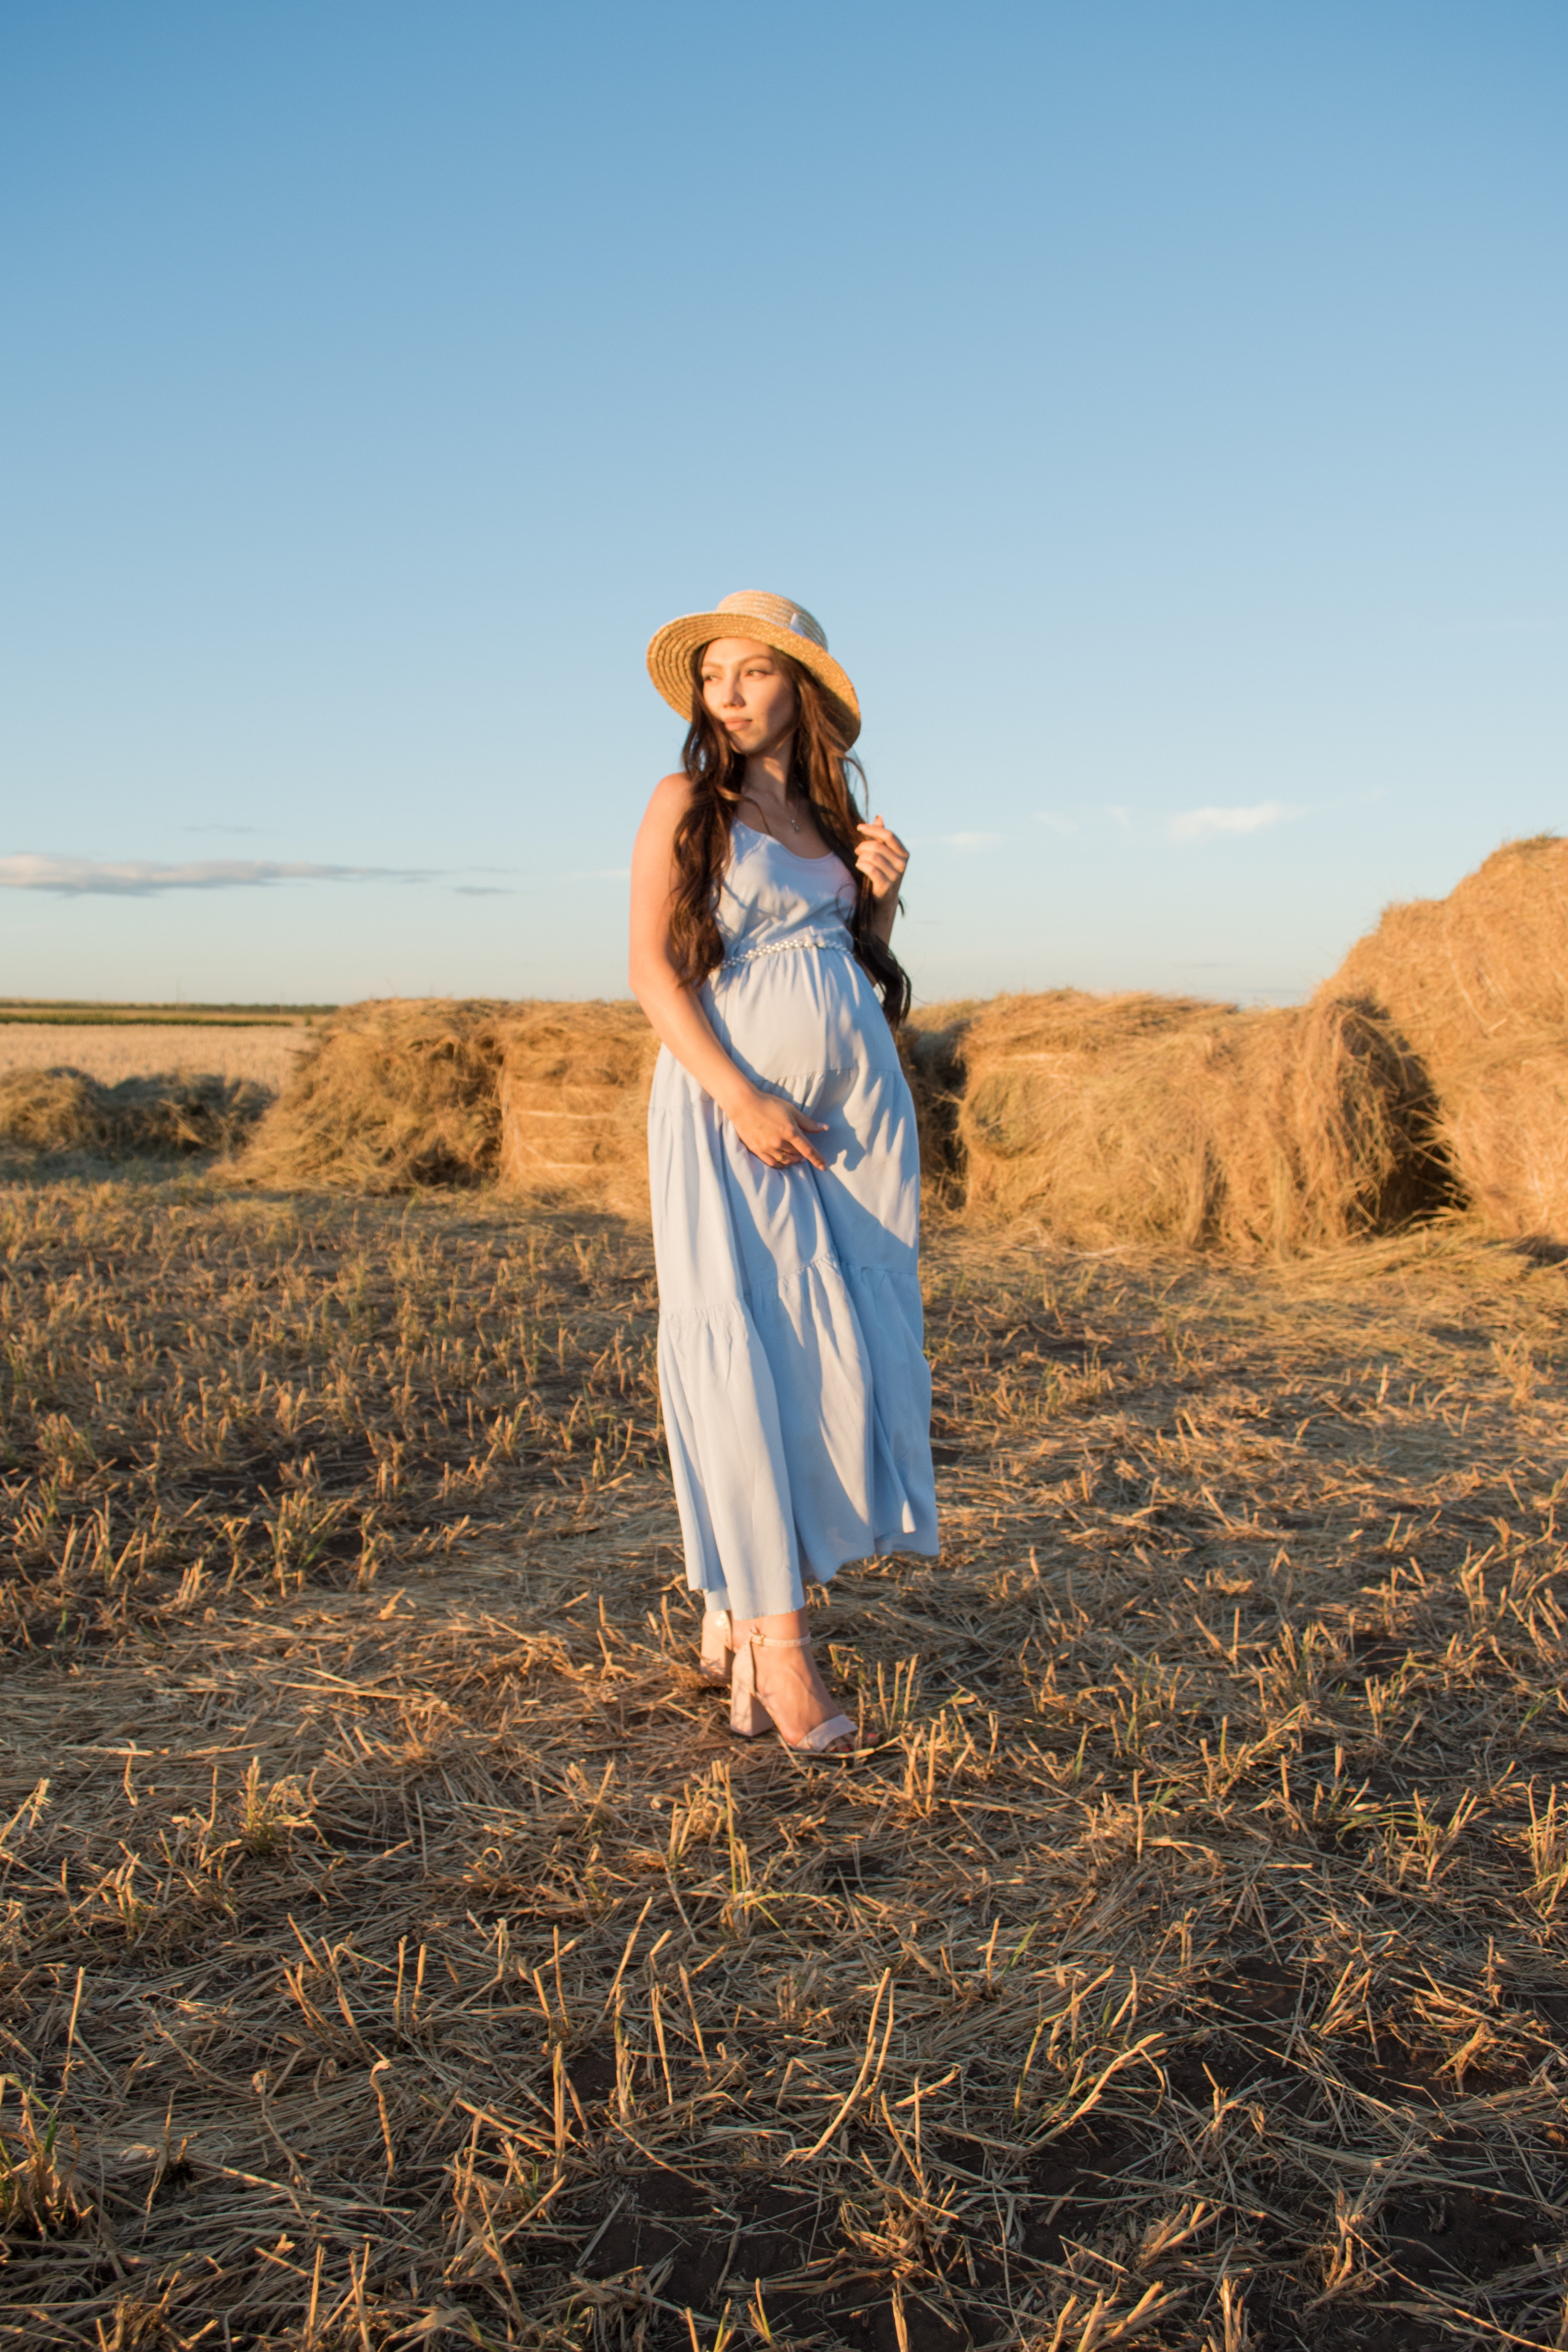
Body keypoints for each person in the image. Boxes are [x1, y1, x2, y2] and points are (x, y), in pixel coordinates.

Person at [629, 590, 939, 1757]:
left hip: (854, 1121)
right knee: (749, 1344)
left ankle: (741, 1597)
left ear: (799, 688)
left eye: (753, 673)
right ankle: (779, 1648)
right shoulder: (684, 804)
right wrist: (739, 1096)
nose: (729, 695)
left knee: (827, 1346)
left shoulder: (827, 816)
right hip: (736, 1111)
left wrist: (882, 903)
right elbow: (652, 972)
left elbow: (854, 966)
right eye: (713, 677)